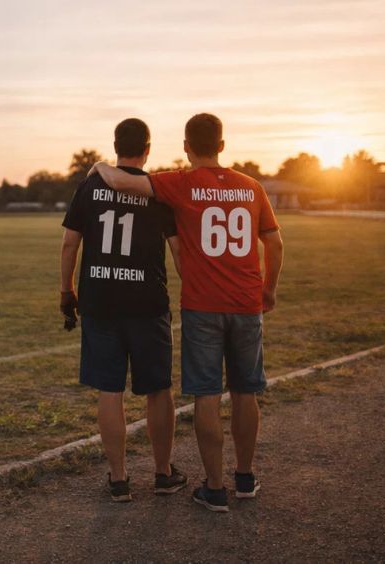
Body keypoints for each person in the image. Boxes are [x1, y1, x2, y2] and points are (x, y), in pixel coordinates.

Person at [90, 113, 285, 512]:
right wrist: (269, 289)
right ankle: (245, 477)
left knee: (207, 395)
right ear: (222, 145)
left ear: (185, 146)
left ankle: (214, 487)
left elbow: (122, 179)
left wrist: (96, 165)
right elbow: (275, 243)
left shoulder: (181, 183)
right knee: (246, 391)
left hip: (203, 306)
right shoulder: (251, 187)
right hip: (247, 304)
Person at [60, 118, 188, 503]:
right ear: (147, 149)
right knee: (158, 389)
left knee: (110, 390)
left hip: (100, 300)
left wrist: (66, 291)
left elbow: (70, 244)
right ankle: (163, 473)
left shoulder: (92, 184)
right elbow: (180, 252)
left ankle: (119, 479)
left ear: (115, 146)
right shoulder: (157, 191)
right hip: (148, 302)